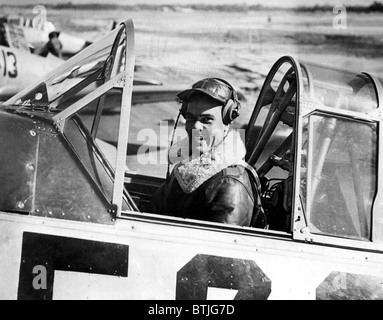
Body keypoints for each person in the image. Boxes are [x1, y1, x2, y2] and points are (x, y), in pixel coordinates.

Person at [152, 78, 266, 227]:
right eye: (190, 117)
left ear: (226, 122)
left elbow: (218, 245)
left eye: (206, 119)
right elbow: (156, 207)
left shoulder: (231, 185)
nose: (195, 126)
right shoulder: (187, 164)